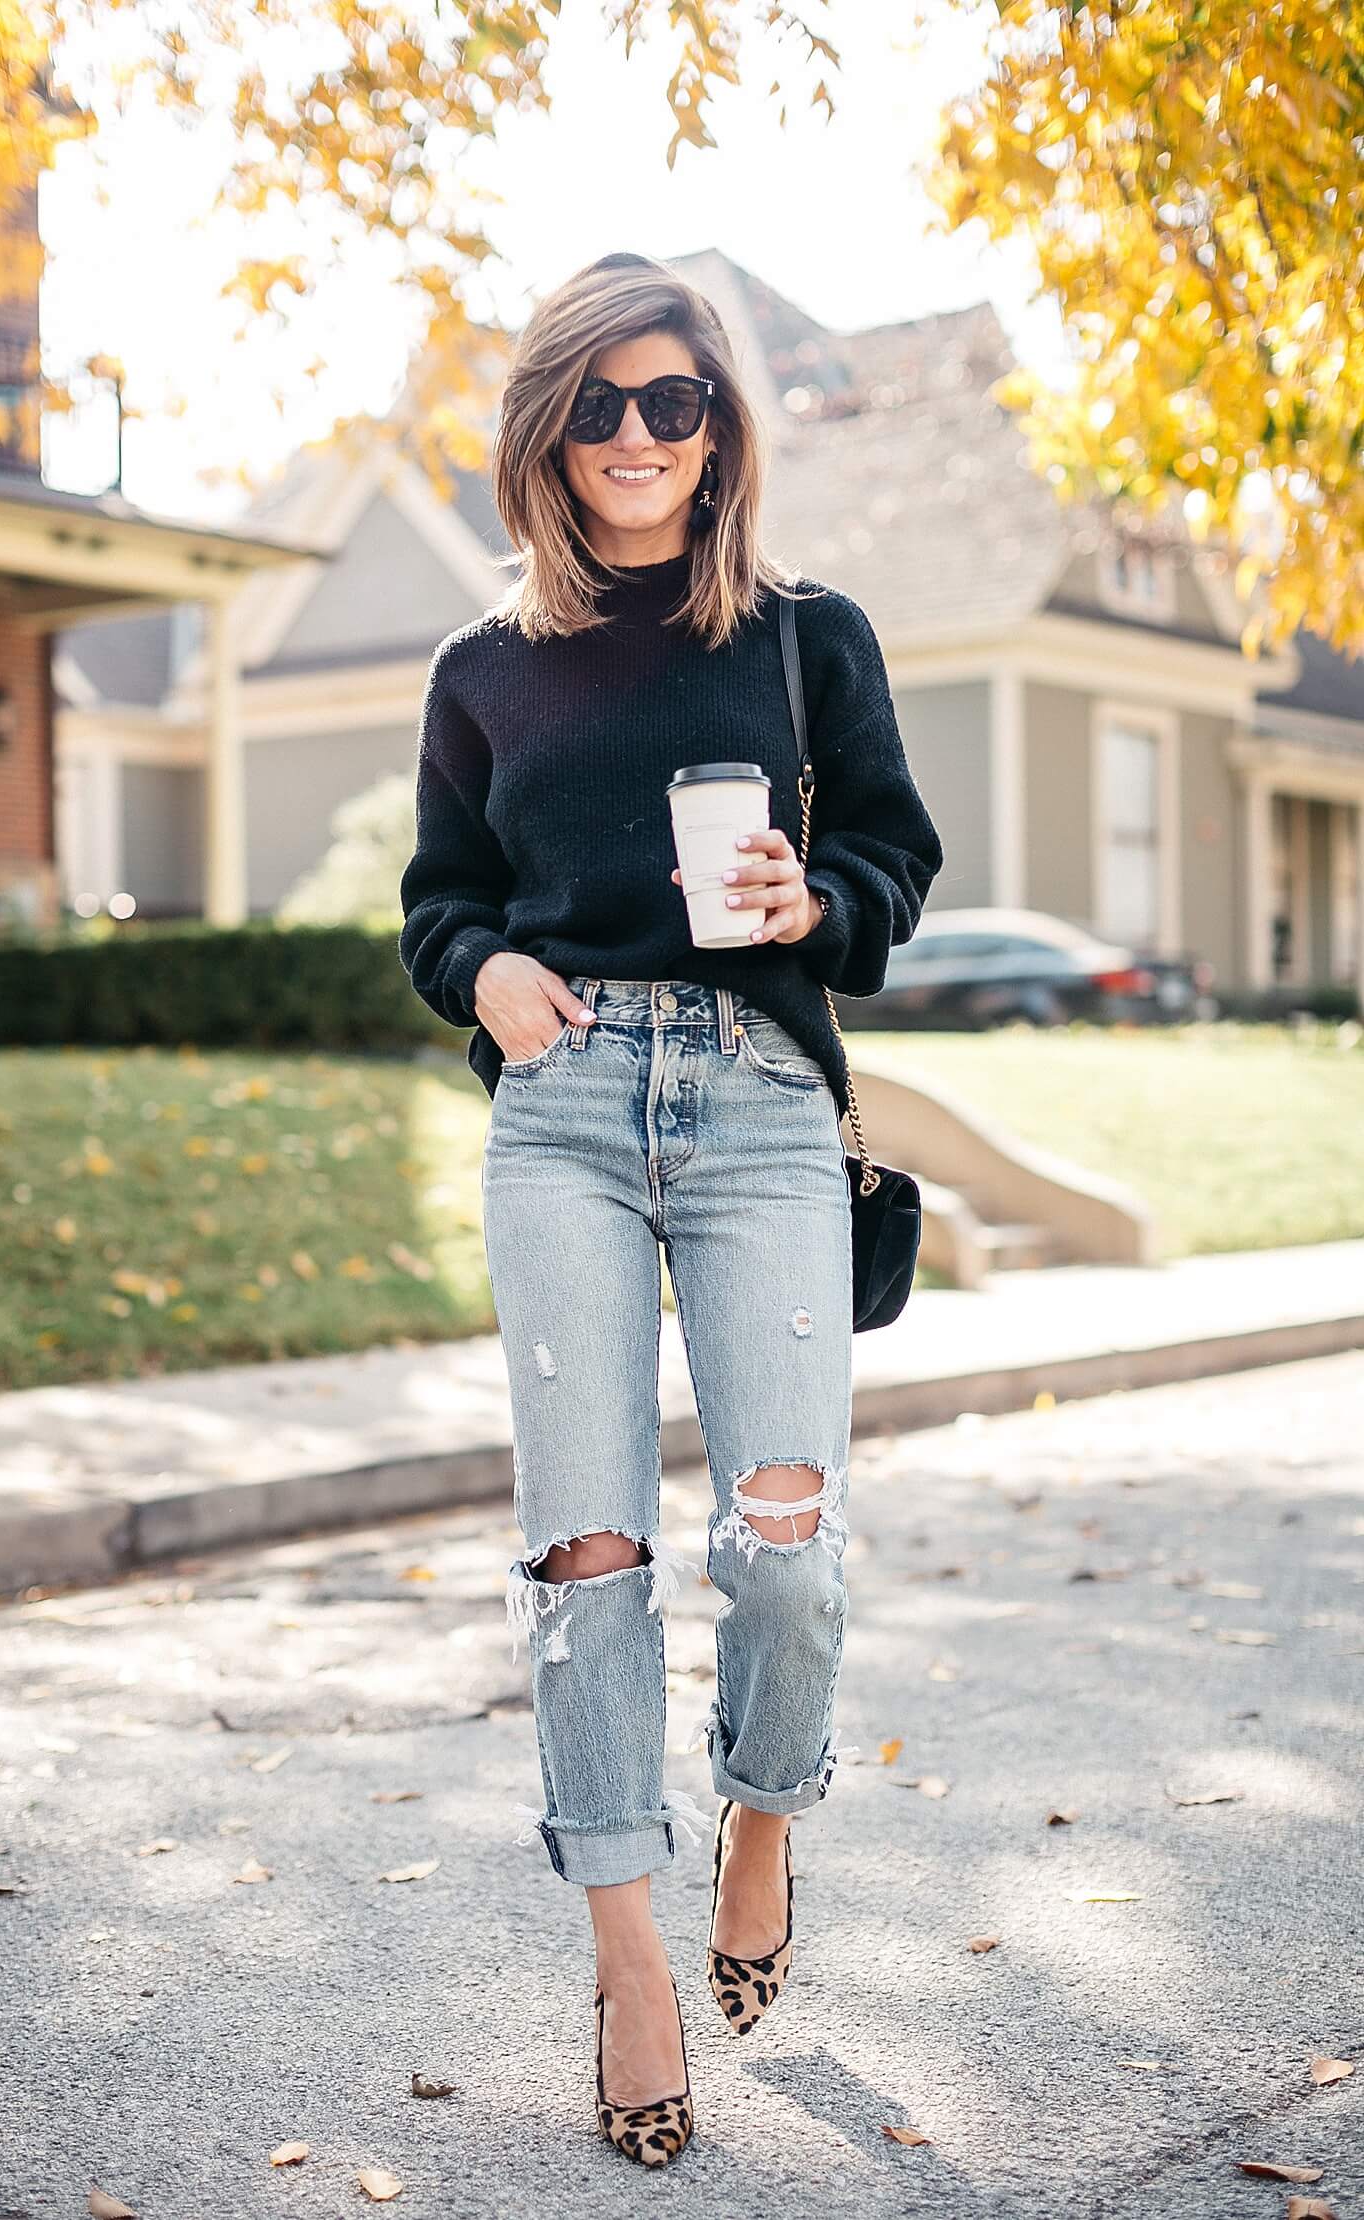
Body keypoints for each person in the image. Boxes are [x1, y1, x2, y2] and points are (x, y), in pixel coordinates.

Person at [398, 251, 943, 2167]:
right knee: (591, 1560)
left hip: (761, 1104)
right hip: (557, 1111)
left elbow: (895, 850)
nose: (640, 436)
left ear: (721, 428)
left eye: (677, 401)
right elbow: (437, 900)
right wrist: (483, 975)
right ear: (551, 431)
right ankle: (630, 1954)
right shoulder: (481, 669)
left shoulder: (806, 634)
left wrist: (822, 905)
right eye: (603, 405)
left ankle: (763, 1816)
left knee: (786, 1548)